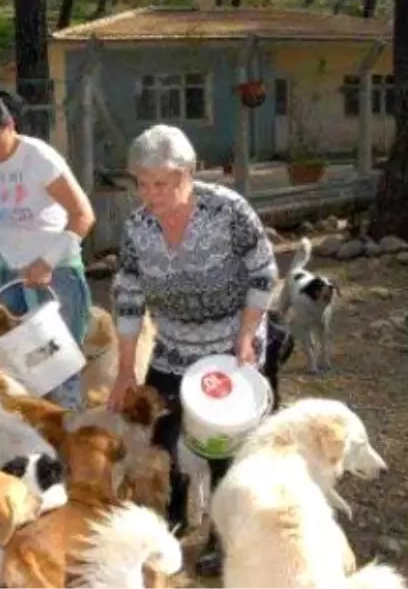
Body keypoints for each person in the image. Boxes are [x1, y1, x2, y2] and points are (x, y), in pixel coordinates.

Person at [107, 124, 278, 538]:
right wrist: (126, 371)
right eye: (142, 184)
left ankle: (228, 537)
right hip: (172, 349)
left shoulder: (228, 211)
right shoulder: (137, 228)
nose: (149, 195)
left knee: (228, 454)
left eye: (160, 184)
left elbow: (263, 273)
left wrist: (246, 334)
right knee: (161, 448)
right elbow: (128, 296)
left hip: (230, 348)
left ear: (187, 174)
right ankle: (172, 528)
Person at [0, 91, 97, 411]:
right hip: (8, 266)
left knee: (57, 365)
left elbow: (83, 216)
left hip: (53, 266)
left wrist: (46, 262)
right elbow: (3, 206)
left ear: (10, 125)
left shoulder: (39, 160)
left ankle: (65, 429)